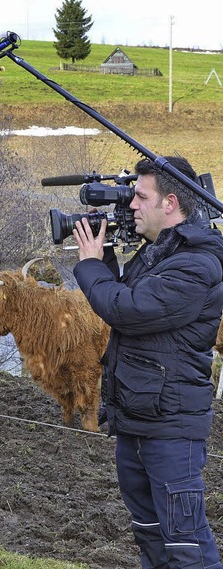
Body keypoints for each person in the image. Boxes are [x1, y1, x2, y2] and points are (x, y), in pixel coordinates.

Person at [72, 155, 223, 569]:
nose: (131, 205)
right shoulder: (159, 251)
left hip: (171, 431)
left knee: (186, 545)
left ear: (171, 202)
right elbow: (123, 295)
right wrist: (102, 257)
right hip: (138, 420)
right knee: (151, 536)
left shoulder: (196, 263)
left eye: (140, 196)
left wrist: (87, 265)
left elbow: (128, 309)